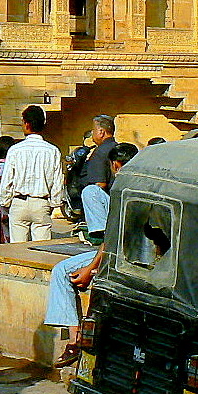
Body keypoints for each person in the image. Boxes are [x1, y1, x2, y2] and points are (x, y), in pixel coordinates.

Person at [49, 142, 140, 368]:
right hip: (117, 248)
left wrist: (90, 269)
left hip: (119, 252)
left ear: (116, 165)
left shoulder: (124, 189)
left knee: (61, 272)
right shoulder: (135, 185)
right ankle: (75, 340)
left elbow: (111, 241)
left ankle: (74, 341)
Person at [0, 105, 65, 243]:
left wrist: (5, 202)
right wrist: (55, 203)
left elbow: (7, 180)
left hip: (19, 202)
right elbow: (58, 181)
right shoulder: (53, 151)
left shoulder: (15, 150)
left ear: (27, 124)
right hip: (41, 203)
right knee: (42, 250)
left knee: (17, 250)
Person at [75, 116, 118, 219]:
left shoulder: (100, 152)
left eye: (93, 130)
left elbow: (100, 184)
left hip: (106, 205)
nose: (92, 134)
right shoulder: (116, 147)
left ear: (101, 132)